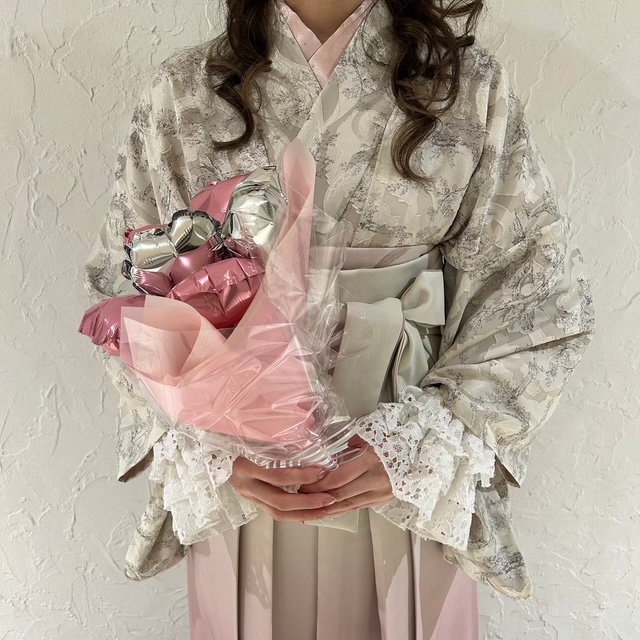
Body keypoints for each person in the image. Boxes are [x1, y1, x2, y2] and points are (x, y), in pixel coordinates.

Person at [82, 0, 596, 638]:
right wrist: (212, 453)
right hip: (248, 450)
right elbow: (127, 282)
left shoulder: (464, 88)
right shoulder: (186, 91)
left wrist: (423, 444)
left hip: (404, 450)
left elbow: (532, 289)